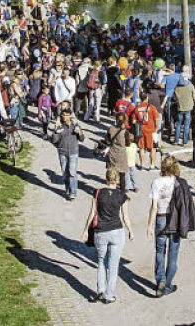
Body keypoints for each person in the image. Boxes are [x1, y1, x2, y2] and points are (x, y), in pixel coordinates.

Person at [83, 167, 133, 304]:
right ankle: (109, 295)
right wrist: (130, 230)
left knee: (101, 261)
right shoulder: (122, 196)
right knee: (113, 265)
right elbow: (125, 216)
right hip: (116, 231)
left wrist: (86, 230)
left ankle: (100, 289)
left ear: (106, 178)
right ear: (117, 180)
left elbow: (92, 213)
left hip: (101, 232)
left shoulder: (98, 193)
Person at [148, 156, 183, 297]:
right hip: (174, 220)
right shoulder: (177, 183)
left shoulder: (156, 182)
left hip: (161, 217)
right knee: (173, 254)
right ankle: (167, 285)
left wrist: (149, 225)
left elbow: (153, 207)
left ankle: (160, 279)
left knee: (160, 250)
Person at [51, 108, 84, 200]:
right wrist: (55, 131)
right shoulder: (60, 126)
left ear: (70, 115)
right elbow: (54, 141)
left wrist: (79, 132)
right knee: (65, 173)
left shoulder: (75, 125)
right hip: (62, 152)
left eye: (66, 115)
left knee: (72, 173)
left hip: (73, 152)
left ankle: (73, 193)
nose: (65, 117)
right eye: (63, 115)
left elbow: (82, 139)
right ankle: (68, 187)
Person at [131, 93, 161, 170]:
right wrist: (156, 128)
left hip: (141, 130)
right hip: (151, 130)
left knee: (141, 147)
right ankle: (152, 165)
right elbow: (157, 119)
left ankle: (142, 165)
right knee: (153, 148)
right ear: (147, 98)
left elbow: (134, 121)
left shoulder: (137, 108)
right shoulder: (151, 107)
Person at [105, 115, 130, 192]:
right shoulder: (125, 131)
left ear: (116, 120)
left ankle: (111, 190)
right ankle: (122, 192)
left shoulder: (110, 128)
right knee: (122, 174)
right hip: (121, 154)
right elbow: (128, 143)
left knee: (111, 173)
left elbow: (107, 139)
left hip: (112, 152)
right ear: (124, 121)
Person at [173, 76, 195, 146]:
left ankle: (176, 140)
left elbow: (175, 98)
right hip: (188, 108)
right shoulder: (190, 86)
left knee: (178, 124)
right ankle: (184, 142)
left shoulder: (176, 88)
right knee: (186, 125)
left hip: (180, 108)